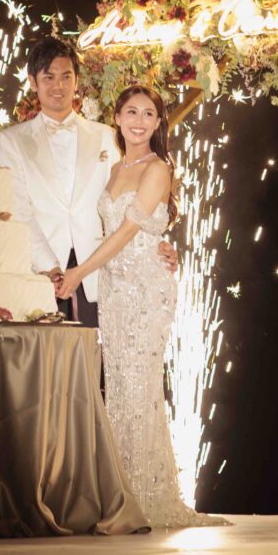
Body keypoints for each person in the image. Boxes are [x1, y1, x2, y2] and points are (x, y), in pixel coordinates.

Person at [56, 85, 228, 528]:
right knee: (120, 389)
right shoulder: (113, 170)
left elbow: (128, 232)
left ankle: (143, 501)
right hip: (114, 291)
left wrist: (78, 274)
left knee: (139, 388)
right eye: (131, 111)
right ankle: (123, 495)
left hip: (147, 291)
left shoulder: (158, 168)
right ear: (116, 117)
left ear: (157, 123)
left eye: (148, 114)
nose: (138, 120)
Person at [0, 37, 178, 326]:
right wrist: (52, 268)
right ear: (33, 82)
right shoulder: (11, 141)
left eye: (66, 76)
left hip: (101, 272)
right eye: (49, 77)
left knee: (99, 365)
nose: (58, 86)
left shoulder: (106, 135)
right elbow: (18, 210)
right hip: (40, 273)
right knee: (47, 366)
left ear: (77, 80)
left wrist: (159, 244)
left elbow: (132, 199)